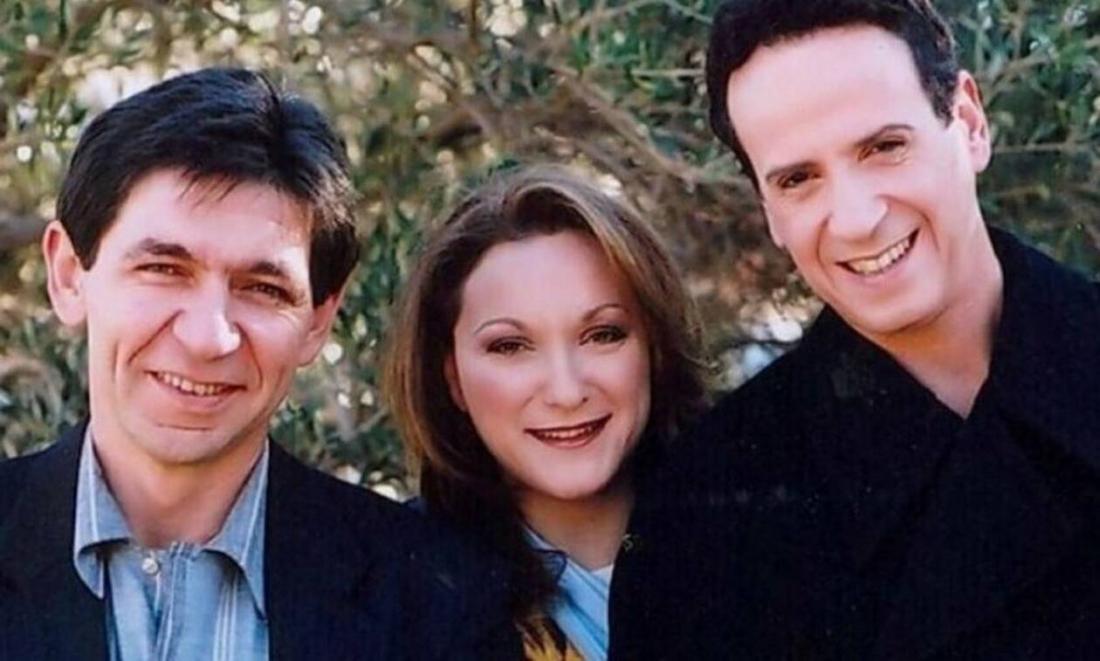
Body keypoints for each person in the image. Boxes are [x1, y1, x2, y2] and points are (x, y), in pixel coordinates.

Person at [612, 1, 1100, 659]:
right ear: (769, 210)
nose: (855, 218)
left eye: (885, 147)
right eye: (799, 179)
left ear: (969, 123)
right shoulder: (703, 524)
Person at [0, 67, 517, 660]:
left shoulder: (437, 601)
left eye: (263, 289)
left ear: (318, 320)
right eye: (164, 270)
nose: (208, 337)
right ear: (69, 275)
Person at [383, 165, 707, 660]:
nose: (566, 391)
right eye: (510, 346)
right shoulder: (397, 597)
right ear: (452, 377)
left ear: (655, 348)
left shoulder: (770, 533)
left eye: (602, 335)